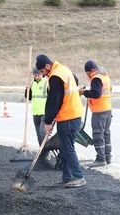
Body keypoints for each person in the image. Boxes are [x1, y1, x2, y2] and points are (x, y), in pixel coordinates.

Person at [36, 53, 85, 188]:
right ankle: (67, 177)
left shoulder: (56, 76)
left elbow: (54, 101)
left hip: (68, 117)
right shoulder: (63, 70)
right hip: (72, 114)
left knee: (68, 148)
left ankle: (78, 176)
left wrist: (48, 121)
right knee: (64, 148)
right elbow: (71, 85)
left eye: (42, 71)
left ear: (47, 66)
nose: (43, 75)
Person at [79, 59, 112, 167]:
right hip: (107, 109)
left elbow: (96, 94)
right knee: (106, 134)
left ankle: (100, 159)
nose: (87, 75)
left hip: (99, 111)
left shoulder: (96, 78)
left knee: (98, 134)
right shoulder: (104, 76)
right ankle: (108, 157)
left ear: (89, 71)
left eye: (87, 73)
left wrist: (84, 92)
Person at [26, 67, 48, 145]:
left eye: (38, 75)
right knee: (38, 134)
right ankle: (41, 151)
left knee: (43, 132)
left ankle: (46, 149)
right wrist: (27, 89)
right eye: (35, 75)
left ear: (42, 74)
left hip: (44, 112)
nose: (37, 77)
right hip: (35, 112)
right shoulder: (32, 84)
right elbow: (28, 97)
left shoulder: (46, 83)